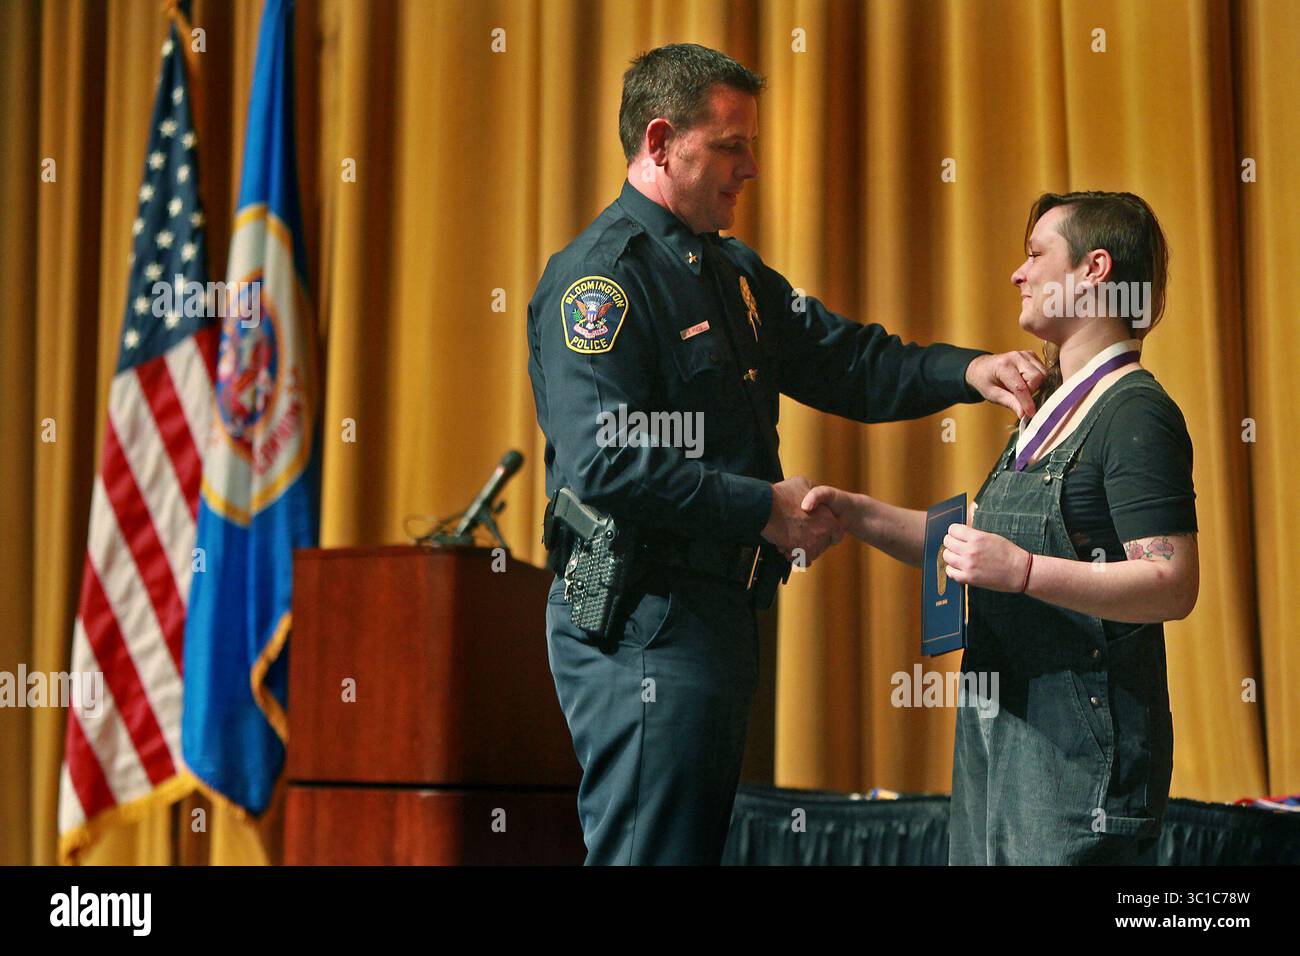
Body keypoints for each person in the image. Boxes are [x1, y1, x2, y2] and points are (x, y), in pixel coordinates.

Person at [525, 42, 1047, 865]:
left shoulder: (730, 273)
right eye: (732, 146)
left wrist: (967, 370)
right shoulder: (602, 282)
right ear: (660, 142)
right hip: (643, 619)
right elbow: (604, 463)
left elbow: (848, 361)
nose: (752, 168)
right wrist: (760, 507)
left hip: (719, 611)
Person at [804, 191, 1199, 864]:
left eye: (1037, 253)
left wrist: (1024, 572)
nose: (1018, 273)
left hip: (1080, 768)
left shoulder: (1135, 412)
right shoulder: (1044, 410)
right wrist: (855, 512)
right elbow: (972, 541)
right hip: (1002, 747)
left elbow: (1171, 583)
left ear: (1095, 269)